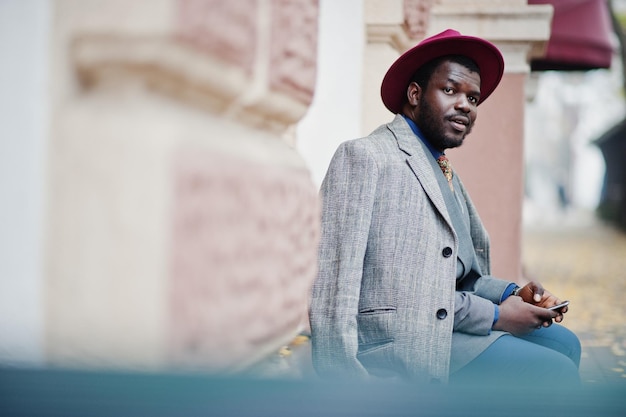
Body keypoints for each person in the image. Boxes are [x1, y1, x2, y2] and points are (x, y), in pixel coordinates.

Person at [308, 29, 581, 385]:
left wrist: (511, 294)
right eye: (450, 90)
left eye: (474, 97)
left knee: (566, 343)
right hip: (398, 343)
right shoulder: (365, 157)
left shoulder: (441, 168)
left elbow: (459, 275)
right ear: (415, 94)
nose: (465, 104)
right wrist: (497, 315)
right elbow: (334, 285)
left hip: (448, 323)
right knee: (553, 371)